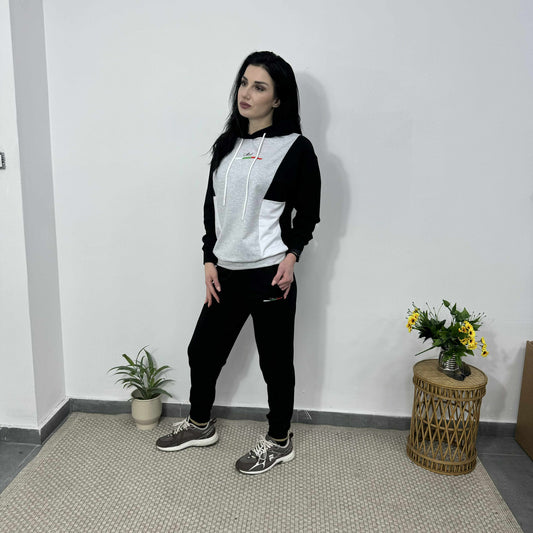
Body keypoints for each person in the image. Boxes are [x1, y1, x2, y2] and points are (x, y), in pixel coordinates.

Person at [156, 51, 321, 475]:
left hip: (270, 274)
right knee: (202, 351)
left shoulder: (296, 148)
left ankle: (279, 440)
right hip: (225, 273)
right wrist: (209, 258)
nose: (246, 93)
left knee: (275, 364)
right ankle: (200, 424)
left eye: (259, 87)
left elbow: (308, 212)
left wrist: (293, 255)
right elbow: (212, 207)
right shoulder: (227, 145)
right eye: (244, 83)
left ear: (278, 99)